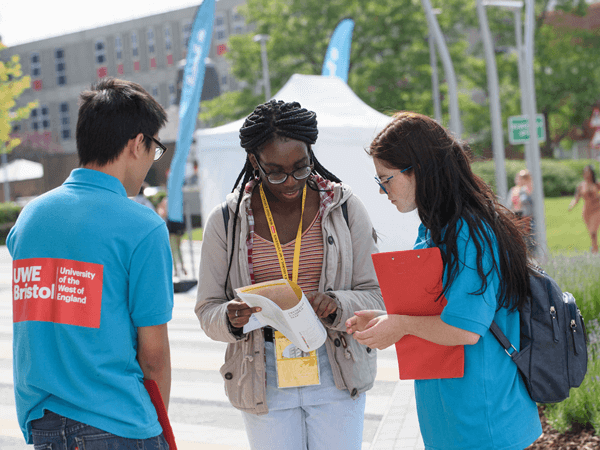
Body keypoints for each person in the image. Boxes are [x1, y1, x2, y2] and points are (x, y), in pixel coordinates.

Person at [346, 112, 542, 450]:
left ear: (418, 169)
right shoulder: (437, 229)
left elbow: (465, 328)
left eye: (386, 179)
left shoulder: (468, 230)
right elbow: (432, 314)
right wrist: (386, 322)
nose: (382, 191)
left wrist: (399, 324)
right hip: (456, 417)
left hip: (482, 422)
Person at [195, 99, 383, 450]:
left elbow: (376, 295)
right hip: (261, 373)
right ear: (254, 162)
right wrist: (230, 318)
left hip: (335, 366)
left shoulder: (345, 209)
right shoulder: (226, 220)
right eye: (276, 171)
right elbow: (207, 310)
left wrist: (336, 305)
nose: (291, 182)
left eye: (301, 167)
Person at [8, 78, 173, 449]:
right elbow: (154, 358)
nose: (151, 161)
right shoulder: (142, 227)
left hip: (45, 428)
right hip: (119, 425)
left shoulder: (29, 220)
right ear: (136, 143)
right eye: (155, 149)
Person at [568, 164, 600, 253]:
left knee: (593, 231)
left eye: (588, 172)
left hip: (597, 210)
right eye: (585, 172)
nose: (587, 174)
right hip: (587, 211)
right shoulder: (581, 185)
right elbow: (576, 198)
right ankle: (595, 249)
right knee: (591, 233)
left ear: (592, 173)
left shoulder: (596, 184)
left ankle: (594, 250)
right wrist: (571, 205)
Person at [157, 194, 188, 278]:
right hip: (178, 225)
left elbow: (163, 214)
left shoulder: (165, 200)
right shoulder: (177, 200)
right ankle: (182, 267)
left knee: (173, 250)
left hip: (171, 226)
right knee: (178, 248)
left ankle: (176, 270)